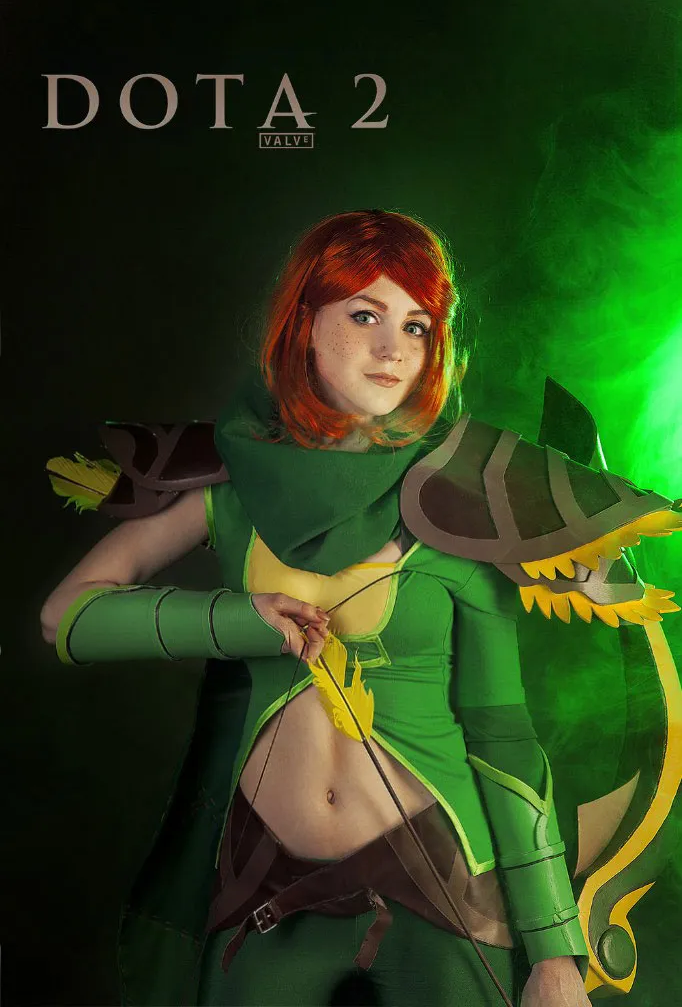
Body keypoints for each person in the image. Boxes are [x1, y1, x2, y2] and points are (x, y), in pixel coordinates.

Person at [41, 209, 681, 1007]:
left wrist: (554, 953)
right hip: (261, 883)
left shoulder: (465, 502)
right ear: (304, 321)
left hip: (444, 887)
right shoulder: (233, 486)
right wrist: (238, 621)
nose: (393, 350)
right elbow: (66, 616)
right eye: (365, 315)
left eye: (416, 326)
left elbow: (503, 737)